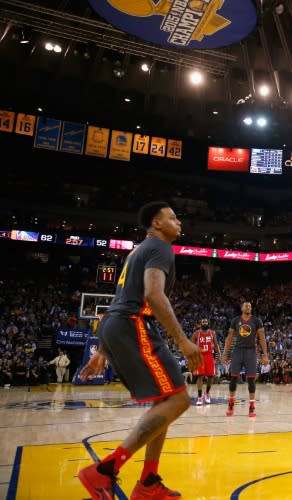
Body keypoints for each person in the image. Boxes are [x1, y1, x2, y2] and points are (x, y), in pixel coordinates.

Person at [77, 201, 202, 499]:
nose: (179, 221)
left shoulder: (139, 250)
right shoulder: (160, 248)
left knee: (166, 400)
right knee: (179, 400)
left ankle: (147, 482)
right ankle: (104, 470)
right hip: (133, 324)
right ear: (156, 224)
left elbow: (123, 297)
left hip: (120, 324)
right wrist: (183, 341)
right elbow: (152, 294)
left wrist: (103, 350)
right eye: (172, 217)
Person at [222, 301, 268, 417]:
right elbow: (229, 338)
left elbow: (262, 339)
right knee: (233, 378)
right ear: (241, 308)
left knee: (251, 379)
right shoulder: (235, 321)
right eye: (246, 306)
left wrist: (265, 354)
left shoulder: (257, 321)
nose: (249, 307)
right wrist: (225, 354)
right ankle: (231, 403)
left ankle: (252, 406)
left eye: (250, 306)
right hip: (237, 350)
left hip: (251, 351)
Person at [191, 318, 220, 405]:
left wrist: (219, 355)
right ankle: (199, 397)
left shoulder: (212, 333)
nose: (204, 323)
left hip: (209, 356)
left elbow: (215, 344)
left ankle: (206, 394)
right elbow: (191, 344)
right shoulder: (196, 333)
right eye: (203, 322)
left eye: (206, 321)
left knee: (211, 376)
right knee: (200, 376)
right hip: (200, 356)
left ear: (208, 323)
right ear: (200, 323)